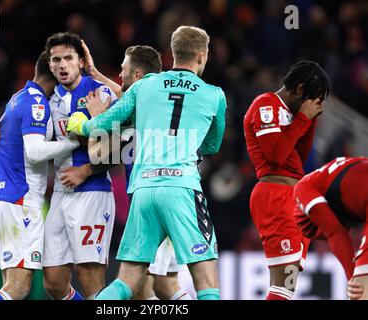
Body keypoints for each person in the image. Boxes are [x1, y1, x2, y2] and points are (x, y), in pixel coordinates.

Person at [67, 25, 226, 300]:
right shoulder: (214, 95)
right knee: (205, 279)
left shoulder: (145, 86)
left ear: (173, 52)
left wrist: (83, 126)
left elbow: (107, 120)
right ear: (202, 56)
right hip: (181, 188)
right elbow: (212, 145)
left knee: (126, 283)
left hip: (143, 189)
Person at [0, 52, 80, 300]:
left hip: (1, 198)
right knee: (18, 287)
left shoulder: (16, 99)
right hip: (21, 201)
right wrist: (73, 143)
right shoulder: (37, 103)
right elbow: (36, 151)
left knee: (11, 285)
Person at [243, 60, 331, 300]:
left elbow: (298, 159)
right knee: (283, 285)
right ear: (300, 89)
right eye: (313, 99)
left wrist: (310, 121)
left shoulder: (290, 114)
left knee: (288, 286)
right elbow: (275, 156)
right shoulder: (266, 104)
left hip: (294, 201)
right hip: (276, 197)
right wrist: (302, 118)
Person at [42, 31, 117, 300]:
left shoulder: (102, 94)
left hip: (92, 193)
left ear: (81, 62)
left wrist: (85, 171)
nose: (62, 65)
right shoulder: (49, 101)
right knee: (53, 281)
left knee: (89, 277)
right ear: (49, 65)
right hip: (61, 195)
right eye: (56, 60)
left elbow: (121, 149)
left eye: (69, 58)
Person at [293, 156, 368, 300]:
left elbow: (335, 232)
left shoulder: (303, 188)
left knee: (360, 291)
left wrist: (352, 276)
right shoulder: (338, 171)